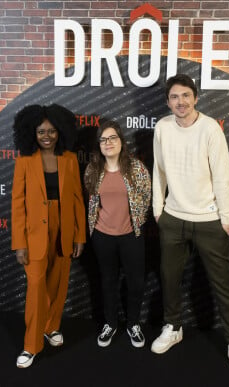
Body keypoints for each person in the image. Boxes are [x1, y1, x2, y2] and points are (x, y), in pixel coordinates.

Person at [151, 74, 229, 380]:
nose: (180, 102)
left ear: (195, 98)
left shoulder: (210, 128)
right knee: (169, 279)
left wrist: (226, 218)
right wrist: (159, 211)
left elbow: (223, 176)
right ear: (168, 101)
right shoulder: (162, 128)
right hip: (172, 218)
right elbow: (159, 171)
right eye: (173, 97)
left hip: (209, 220)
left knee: (223, 286)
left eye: (185, 96)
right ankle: (173, 327)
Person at [11, 104, 86, 369]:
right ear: (32, 132)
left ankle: (51, 326)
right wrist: (19, 243)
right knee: (35, 289)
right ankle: (31, 346)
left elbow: (78, 199)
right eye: (41, 131)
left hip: (64, 229)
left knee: (58, 284)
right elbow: (17, 204)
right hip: (34, 234)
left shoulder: (69, 159)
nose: (47, 136)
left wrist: (80, 236)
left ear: (60, 132)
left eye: (52, 131)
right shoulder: (24, 161)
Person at [84, 120, 152, 348]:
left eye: (112, 138)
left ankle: (133, 323)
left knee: (135, 283)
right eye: (103, 139)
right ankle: (110, 323)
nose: (108, 143)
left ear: (121, 141)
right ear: (99, 145)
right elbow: (91, 200)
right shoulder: (93, 169)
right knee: (108, 282)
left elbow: (146, 196)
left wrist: (135, 223)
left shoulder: (136, 168)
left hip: (131, 236)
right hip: (102, 236)